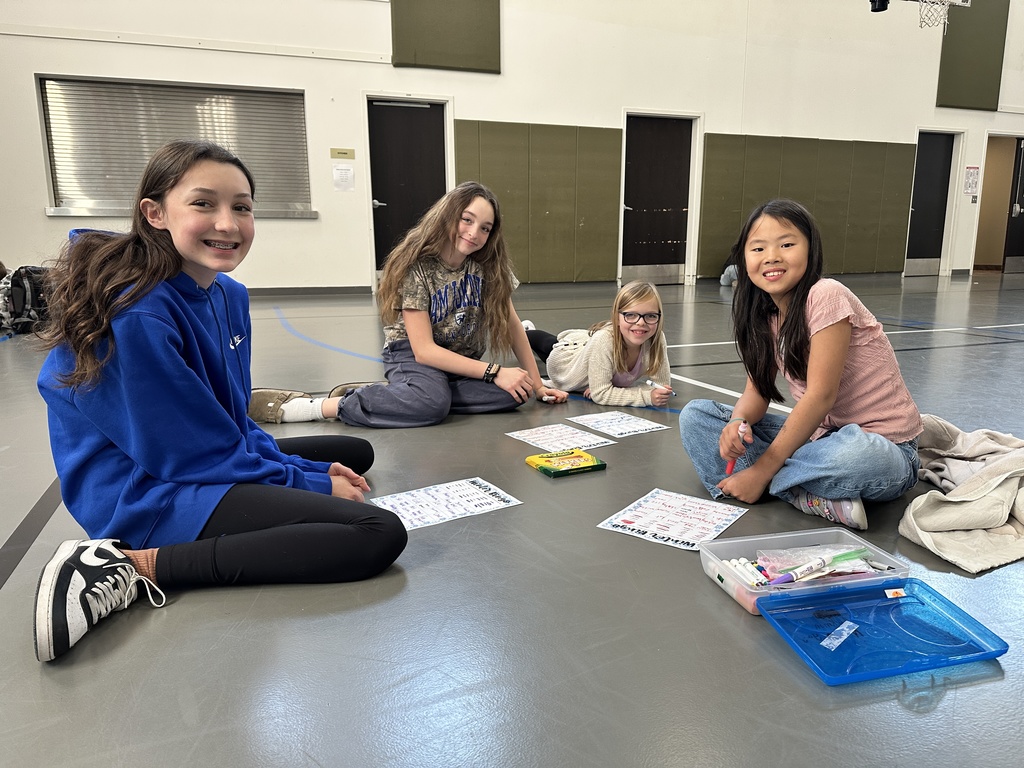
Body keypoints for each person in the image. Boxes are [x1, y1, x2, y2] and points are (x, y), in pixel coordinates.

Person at [34, 140, 408, 662]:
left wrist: (299, 468)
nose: (228, 223)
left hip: (188, 456)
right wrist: (308, 481)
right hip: (145, 488)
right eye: (203, 203)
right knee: (376, 532)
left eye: (242, 206)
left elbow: (227, 420)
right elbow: (190, 454)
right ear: (156, 213)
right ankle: (131, 566)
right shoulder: (137, 313)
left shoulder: (226, 293)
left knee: (356, 456)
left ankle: (290, 486)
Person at [679, 199, 922, 530]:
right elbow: (757, 392)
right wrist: (737, 423)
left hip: (885, 448)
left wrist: (762, 468)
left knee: (853, 456)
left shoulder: (825, 294)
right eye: (758, 248)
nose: (772, 256)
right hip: (819, 439)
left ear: (810, 248)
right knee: (696, 417)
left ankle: (767, 482)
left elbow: (821, 395)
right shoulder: (763, 313)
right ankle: (802, 490)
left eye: (787, 244)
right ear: (743, 258)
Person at [262, 181, 568, 428]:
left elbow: (512, 322)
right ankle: (329, 405)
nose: (474, 233)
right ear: (450, 216)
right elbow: (423, 350)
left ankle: (405, 395)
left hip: (458, 358)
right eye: (467, 220)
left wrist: (537, 386)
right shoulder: (418, 267)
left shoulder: (487, 266)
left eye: (485, 228)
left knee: (517, 392)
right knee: (432, 405)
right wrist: (493, 371)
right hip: (412, 353)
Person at [523, 280, 674, 408]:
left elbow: (662, 386)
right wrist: (647, 396)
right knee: (548, 345)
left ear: (659, 318)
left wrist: (608, 391)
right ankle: (523, 332)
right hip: (567, 363)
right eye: (631, 315)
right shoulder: (604, 341)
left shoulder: (656, 339)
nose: (641, 323)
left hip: (595, 349)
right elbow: (601, 394)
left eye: (651, 316)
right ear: (617, 316)